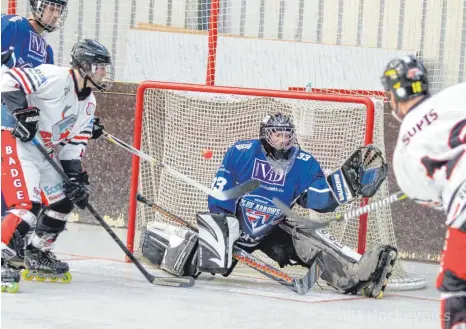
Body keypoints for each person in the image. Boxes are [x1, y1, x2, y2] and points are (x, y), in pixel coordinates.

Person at [142, 112, 397, 298]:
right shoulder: (241, 151)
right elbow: (222, 191)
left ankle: (355, 277)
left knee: (311, 240)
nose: (284, 140)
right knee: (207, 261)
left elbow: (317, 197)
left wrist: (346, 186)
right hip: (237, 223)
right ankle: (161, 244)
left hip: (275, 225)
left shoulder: (304, 162)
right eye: (278, 134)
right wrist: (219, 227)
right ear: (265, 134)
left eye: (288, 134)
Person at [0, 39, 114, 289]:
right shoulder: (54, 76)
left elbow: (73, 148)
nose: (104, 73)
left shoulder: (89, 103)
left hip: (43, 150)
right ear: (84, 66)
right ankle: (2, 258)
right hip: (15, 140)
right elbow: (8, 80)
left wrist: (76, 180)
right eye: (99, 67)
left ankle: (37, 253)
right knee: (26, 205)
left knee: (62, 202)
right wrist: (22, 113)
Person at [381, 55, 466, 328]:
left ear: (393, 96)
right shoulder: (457, 93)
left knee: (456, 288)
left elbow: (430, 198)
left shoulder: (403, 152)